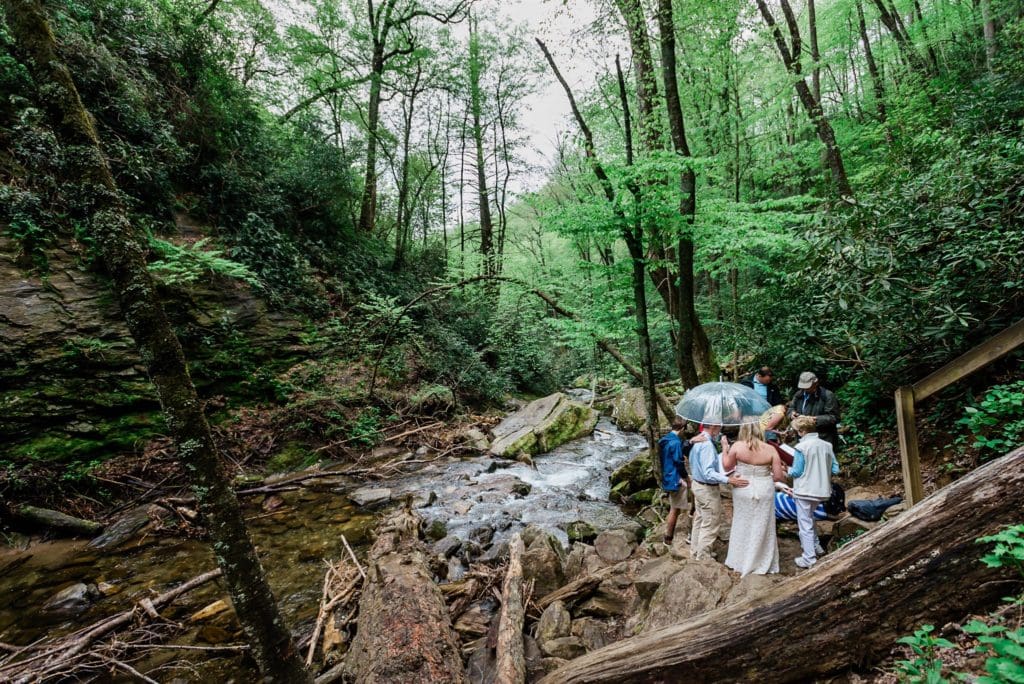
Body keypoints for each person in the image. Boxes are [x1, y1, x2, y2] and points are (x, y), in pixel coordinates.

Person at [723, 422, 785, 576]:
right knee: (763, 523)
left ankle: (740, 560)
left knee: (742, 522)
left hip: (743, 487)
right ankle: (761, 561)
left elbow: (726, 466)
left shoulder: (737, 446)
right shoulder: (771, 449)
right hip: (764, 488)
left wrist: (725, 448)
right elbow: (778, 477)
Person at [688, 423, 749, 561]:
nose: (721, 429)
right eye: (719, 426)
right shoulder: (707, 445)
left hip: (697, 484)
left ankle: (695, 551)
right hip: (706, 488)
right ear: (713, 427)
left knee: (700, 519)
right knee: (710, 522)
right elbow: (708, 472)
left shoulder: (697, 439)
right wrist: (728, 480)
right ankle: (703, 557)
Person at [789, 415, 840, 569]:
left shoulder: (800, 447)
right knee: (810, 519)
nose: (796, 433)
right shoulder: (827, 445)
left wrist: (786, 470)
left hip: (804, 490)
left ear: (802, 431)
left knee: (804, 524)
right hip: (822, 490)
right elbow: (835, 469)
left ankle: (809, 558)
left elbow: (796, 472)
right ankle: (817, 546)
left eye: (796, 430)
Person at [658, 416, 695, 544]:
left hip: (668, 477)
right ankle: (668, 538)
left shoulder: (664, 440)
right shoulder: (675, 443)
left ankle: (670, 536)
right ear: (683, 428)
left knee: (675, 507)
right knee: (675, 509)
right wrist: (685, 478)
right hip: (675, 479)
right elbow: (678, 463)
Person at [789, 371, 841, 451]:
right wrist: (792, 414)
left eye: (808, 387)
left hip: (823, 438)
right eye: (803, 387)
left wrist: (814, 419)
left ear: (816, 383)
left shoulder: (827, 396)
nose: (805, 389)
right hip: (803, 437)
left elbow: (834, 417)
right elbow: (791, 408)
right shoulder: (799, 395)